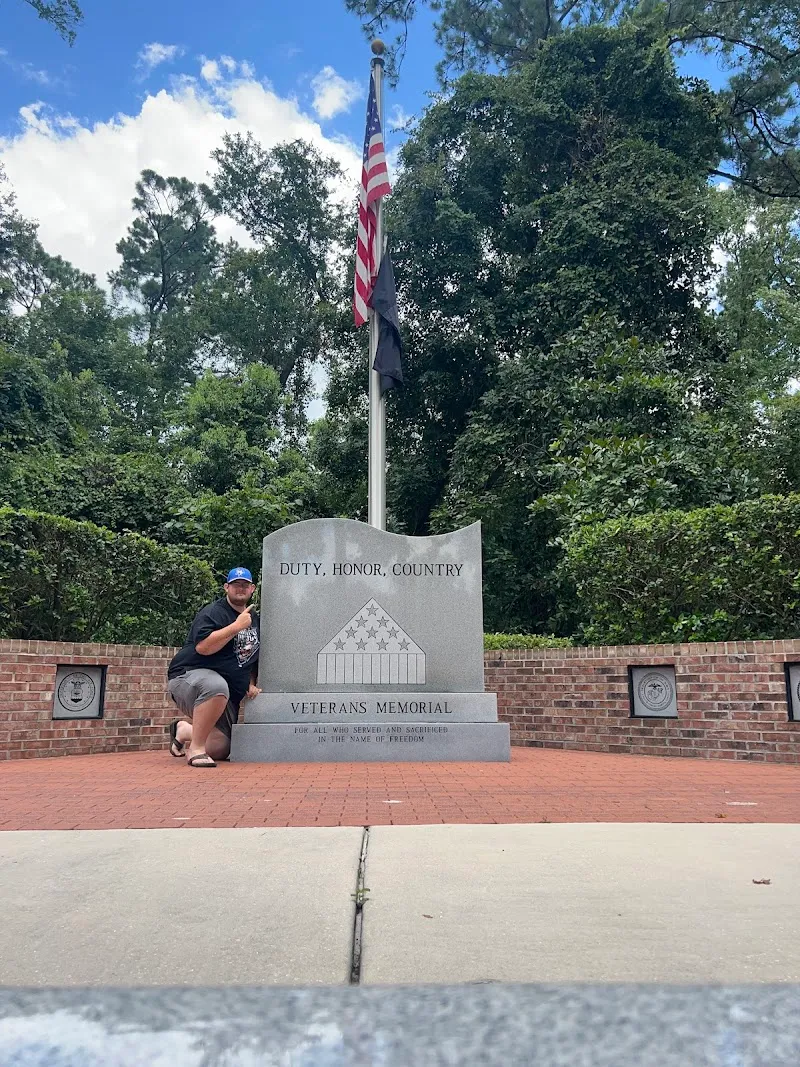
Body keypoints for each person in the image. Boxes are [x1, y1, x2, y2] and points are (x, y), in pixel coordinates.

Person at [166, 567, 261, 768]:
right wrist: (236, 626)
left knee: (220, 748)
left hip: (227, 695)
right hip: (189, 677)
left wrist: (250, 682)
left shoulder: (255, 619)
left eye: (245, 585)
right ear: (227, 587)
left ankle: (184, 731)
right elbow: (204, 647)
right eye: (236, 585)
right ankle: (196, 749)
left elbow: (251, 655)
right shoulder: (213, 613)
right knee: (216, 685)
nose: (240, 589)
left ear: (252, 588)